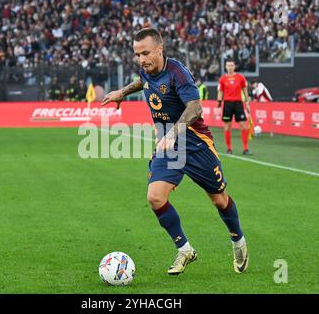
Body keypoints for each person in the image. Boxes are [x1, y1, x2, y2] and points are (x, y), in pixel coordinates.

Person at [102, 28, 248, 275]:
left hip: (196, 145)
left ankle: (238, 241)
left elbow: (195, 108)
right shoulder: (147, 69)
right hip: (168, 148)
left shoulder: (177, 73)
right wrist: (122, 92)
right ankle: (185, 250)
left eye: (146, 53)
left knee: (219, 200)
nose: (141, 59)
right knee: (155, 197)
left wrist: (172, 133)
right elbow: (143, 80)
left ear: (160, 48)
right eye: (137, 54)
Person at [217, 59, 251, 155]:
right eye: (228, 65)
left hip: (238, 103)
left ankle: (245, 148)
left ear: (234, 66)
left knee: (243, 125)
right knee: (227, 126)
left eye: (232, 65)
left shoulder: (240, 77)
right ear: (226, 67)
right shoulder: (222, 79)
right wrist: (219, 105)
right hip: (227, 104)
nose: (230, 67)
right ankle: (229, 148)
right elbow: (220, 92)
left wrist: (247, 103)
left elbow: (245, 91)